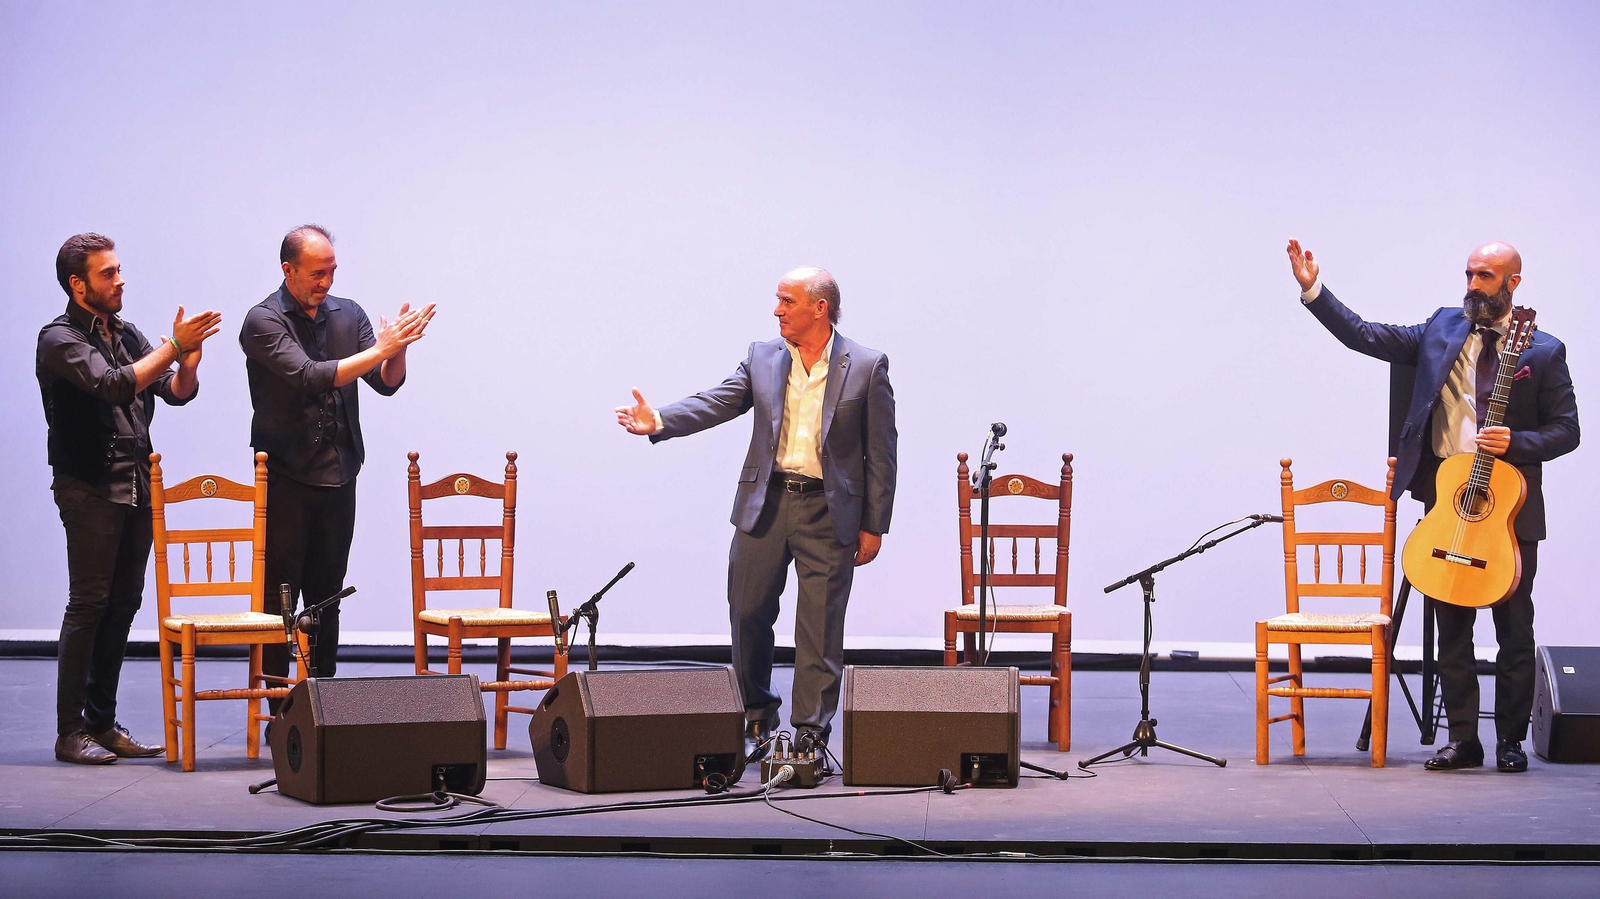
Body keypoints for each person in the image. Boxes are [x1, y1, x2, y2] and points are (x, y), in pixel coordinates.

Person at [1287, 238, 1580, 771]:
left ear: (1513, 283)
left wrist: (1517, 441)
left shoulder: (1541, 351)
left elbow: (1568, 431)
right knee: (1452, 630)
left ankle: (1510, 741)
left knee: (1514, 629)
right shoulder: (1441, 327)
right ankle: (1463, 740)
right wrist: (1313, 289)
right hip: (1449, 508)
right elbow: (1365, 336)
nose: (1472, 285)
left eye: (1485, 277)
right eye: (1468, 274)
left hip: (1508, 516)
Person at [615, 267, 897, 760]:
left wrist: (875, 524)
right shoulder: (763, 356)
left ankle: (810, 733)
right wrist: (661, 419)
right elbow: (720, 401)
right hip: (765, 502)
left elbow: (882, 451)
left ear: (819, 308)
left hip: (829, 511)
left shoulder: (867, 366)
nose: (777, 310)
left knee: (820, 626)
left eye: (787, 301)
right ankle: (757, 717)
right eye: (778, 300)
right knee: (747, 613)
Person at [38, 233, 222, 764]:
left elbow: (174, 391)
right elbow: (116, 385)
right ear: (78, 284)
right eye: (107, 273)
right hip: (90, 485)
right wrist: (172, 345)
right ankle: (70, 731)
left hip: (136, 483)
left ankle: (101, 722)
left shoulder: (124, 331)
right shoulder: (59, 339)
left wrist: (188, 360)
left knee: (122, 605)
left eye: (119, 270)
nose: (120, 280)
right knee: (89, 603)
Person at [240, 225, 434, 687]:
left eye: (331, 272)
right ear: (288, 271)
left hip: (340, 471)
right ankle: (279, 704)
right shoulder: (263, 321)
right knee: (280, 596)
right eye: (316, 273)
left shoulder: (349, 315)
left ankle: (322, 697)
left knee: (327, 594)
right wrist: (380, 351)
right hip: (285, 475)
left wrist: (397, 351)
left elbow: (385, 382)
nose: (325, 283)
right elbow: (310, 375)